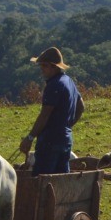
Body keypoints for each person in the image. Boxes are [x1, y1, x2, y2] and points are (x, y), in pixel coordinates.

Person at [18, 46, 83, 175]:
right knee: (61, 177)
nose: (41, 69)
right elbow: (81, 106)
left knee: (43, 177)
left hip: (49, 141)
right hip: (65, 139)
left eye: (44, 66)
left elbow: (45, 114)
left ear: (53, 66)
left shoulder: (54, 85)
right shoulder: (68, 81)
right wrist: (66, 126)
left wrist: (30, 137)